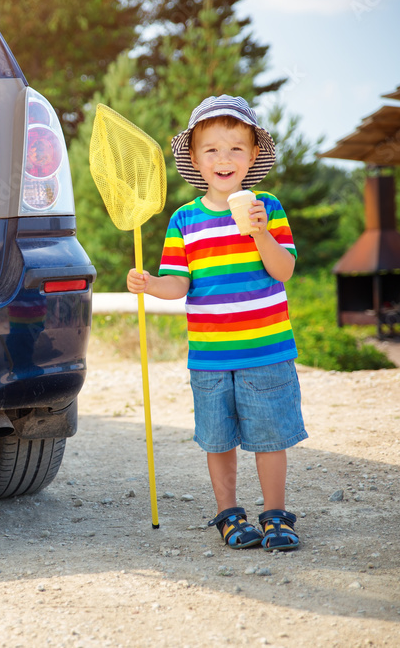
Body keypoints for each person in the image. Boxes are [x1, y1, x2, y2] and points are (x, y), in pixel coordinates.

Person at [126, 95, 306, 551]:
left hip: (266, 351)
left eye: (235, 149)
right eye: (211, 149)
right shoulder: (184, 220)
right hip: (209, 357)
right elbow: (178, 285)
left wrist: (260, 231)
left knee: (269, 438)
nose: (223, 159)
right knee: (218, 439)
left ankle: (275, 514)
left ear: (252, 156)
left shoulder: (270, 208)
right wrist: (149, 284)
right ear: (194, 158)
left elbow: (283, 271)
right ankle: (229, 513)